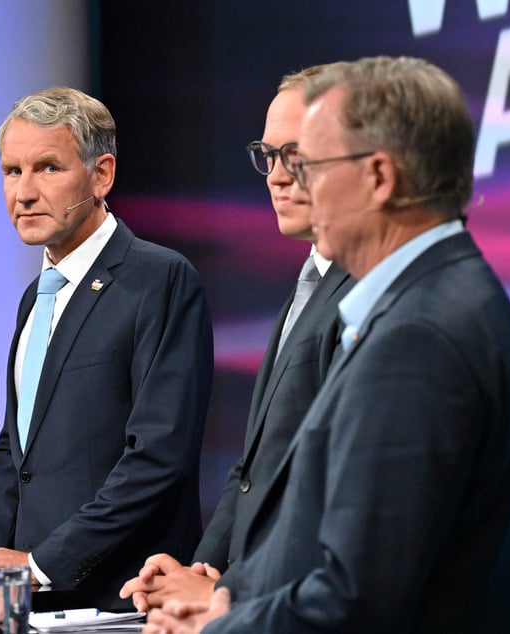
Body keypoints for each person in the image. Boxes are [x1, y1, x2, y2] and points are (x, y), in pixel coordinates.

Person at [146, 56, 510, 633]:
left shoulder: (419, 336)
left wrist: (217, 629)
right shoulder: (434, 297)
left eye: (309, 162)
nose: (292, 181)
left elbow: (358, 596)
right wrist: (230, 599)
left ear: (380, 178)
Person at [120, 66, 354, 611]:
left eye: (294, 154)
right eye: (267, 155)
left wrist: (225, 591)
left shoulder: (364, 293)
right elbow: (253, 470)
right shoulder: (309, 285)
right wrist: (202, 567)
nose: (274, 175)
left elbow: (322, 489)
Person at [0, 86, 214, 609]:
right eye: (12, 172)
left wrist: (40, 565)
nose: (25, 193)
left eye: (48, 169)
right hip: (31, 601)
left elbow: (156, 458)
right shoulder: (34, 298)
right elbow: (15, 453)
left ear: (101, 174)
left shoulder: (159, 279)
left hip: (122, 598)